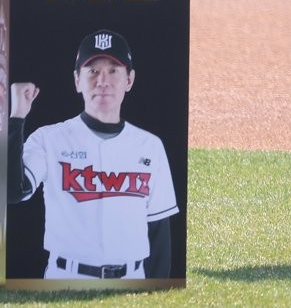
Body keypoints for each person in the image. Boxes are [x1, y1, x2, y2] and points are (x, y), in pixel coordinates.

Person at [7, 30, 179, 279]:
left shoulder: (150, 146)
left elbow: (159, 233)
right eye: (93, 71)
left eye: (113, 70)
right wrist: (16, 119)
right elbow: (13, 192)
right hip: (65, 278)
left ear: (129, 80)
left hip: (131, 279)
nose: (103, 81)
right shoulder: (49, 139)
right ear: (77, 80)